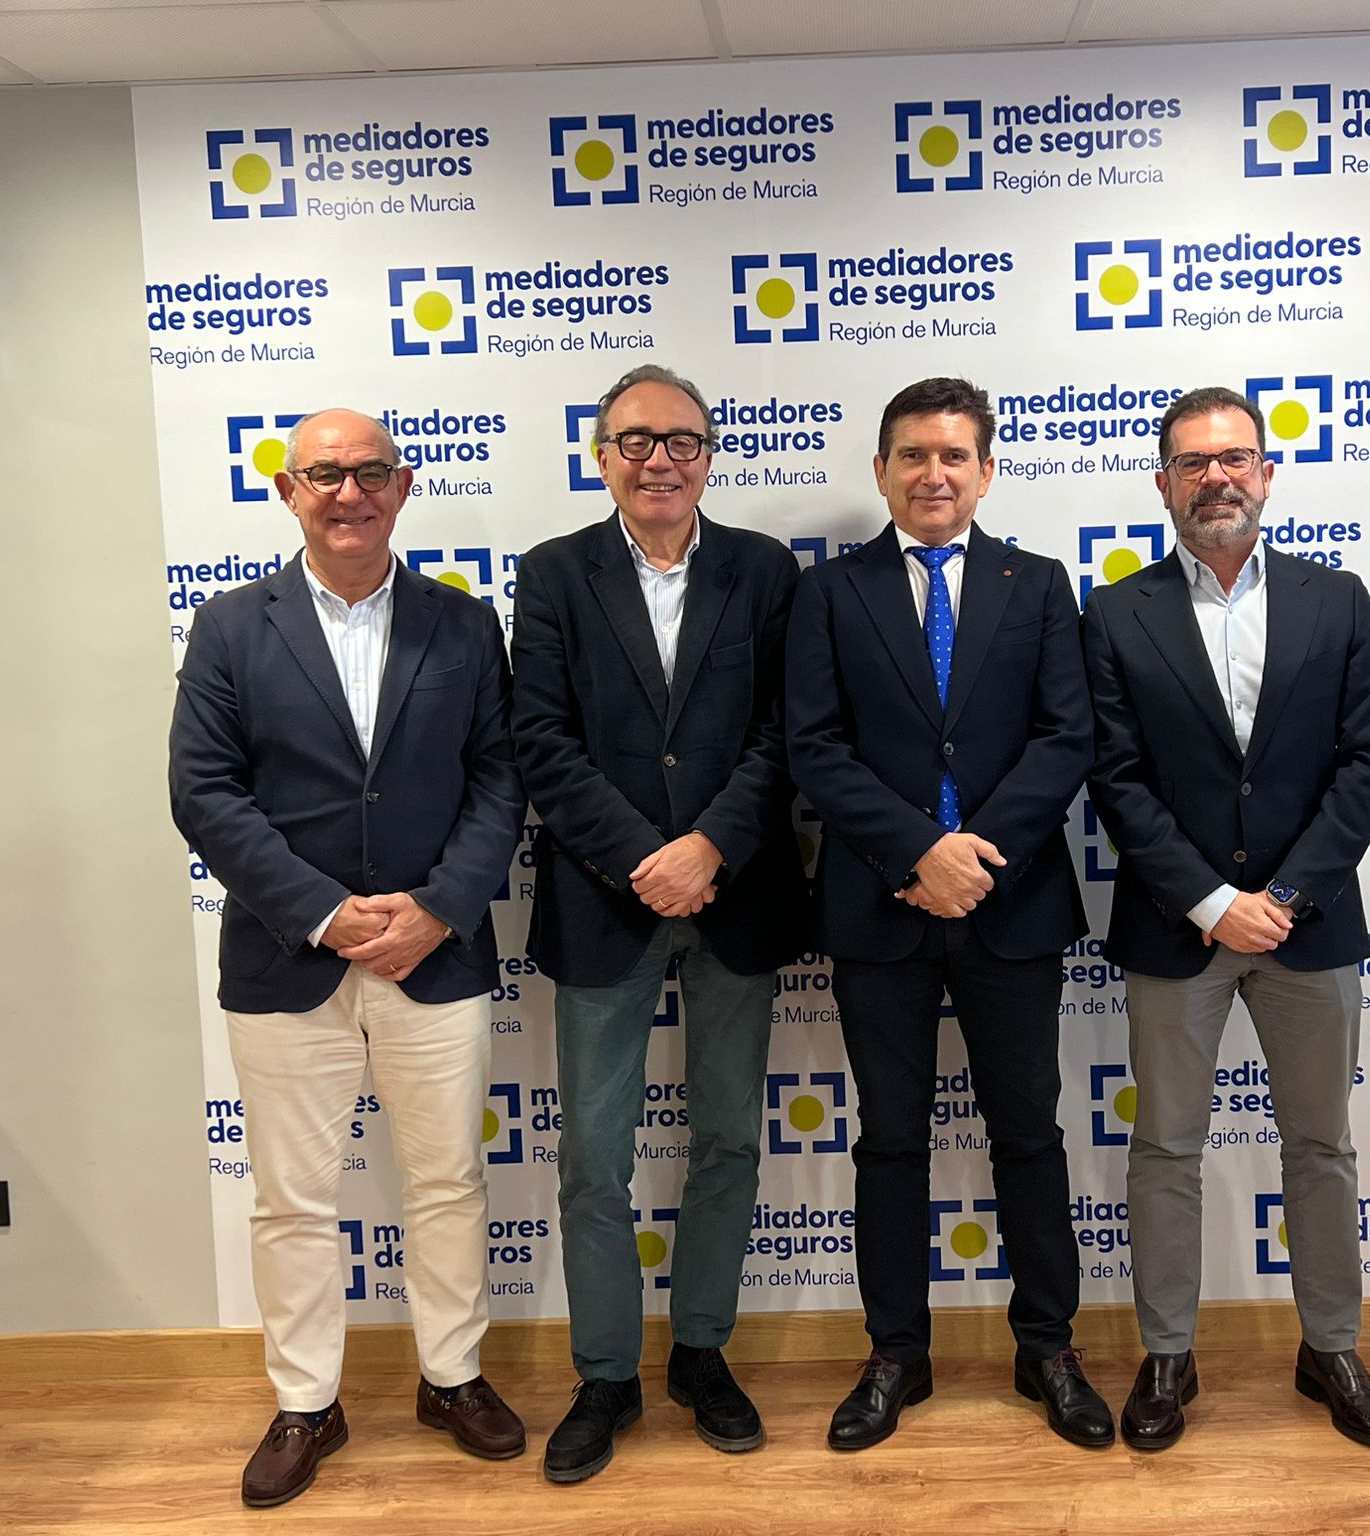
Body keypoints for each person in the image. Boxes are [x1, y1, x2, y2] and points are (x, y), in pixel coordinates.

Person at [170, 408, 529, 1506]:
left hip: (434, 956)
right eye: (324, 474)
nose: (348, 492)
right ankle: (305, 1402)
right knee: (290, 1200)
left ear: (402, 486)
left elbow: (499, 780)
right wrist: (324, 914)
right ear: (288, 491)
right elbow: (204, 792)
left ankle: (451, 1377)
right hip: (288, 961)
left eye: (370, 471)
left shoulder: (464, 625)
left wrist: (439, 908)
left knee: (448, 1181)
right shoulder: (231, 627)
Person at [785, 377, 1109, 1451]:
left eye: (954, 456)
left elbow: (1065, 737)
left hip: (1010, 904)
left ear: (986, 471)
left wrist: (974, 858)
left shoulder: (1038, 583)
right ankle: (895, 1354)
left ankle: (1047, 1346)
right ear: (881, 471)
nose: (934, 474)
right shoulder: (830, 594)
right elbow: (814, 746)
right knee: (889, 1142)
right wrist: (918, 851)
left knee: (1029, 1136)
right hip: (879, 906)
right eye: (913, 456)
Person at [1082, 385, 1370, 1451]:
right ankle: (1167, 1355)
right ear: (1163, 483)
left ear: (1265, 473)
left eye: (1233, 459)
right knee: (1165, 1148)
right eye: (1192, 462)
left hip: (1309, 927)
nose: (1215, 477)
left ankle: (1331, 1348)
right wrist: (1214, 902)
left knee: (1320, 1146)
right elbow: (1117, 779)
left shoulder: (1336, 599)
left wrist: (1285, 898)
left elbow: (1367, 761)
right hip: (1176, 927)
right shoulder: (1113, 613)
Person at [510, 363, 806, 1483]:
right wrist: (646, 857)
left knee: (727, 1139)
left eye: (681, 440)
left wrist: (709, 846)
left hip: (736, 892)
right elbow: (540, 741)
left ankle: (700, 1353)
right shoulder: (553, 574)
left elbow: (784, 732)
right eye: (634, 441)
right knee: (595, 1157)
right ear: (601, 457)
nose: (659, 460)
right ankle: (604, 1375)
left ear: (709, 456)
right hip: (605, 899)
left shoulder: (763, 571)